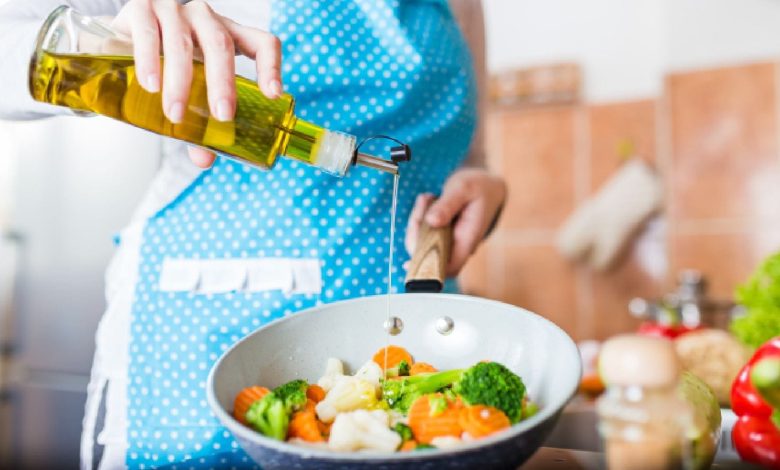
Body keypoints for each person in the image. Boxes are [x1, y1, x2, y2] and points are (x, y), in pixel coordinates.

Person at [0, 0, 506, 468]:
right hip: (213, 336)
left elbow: (474, 155)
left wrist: (485, 186)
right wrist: (102, 43)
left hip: (418, 352)